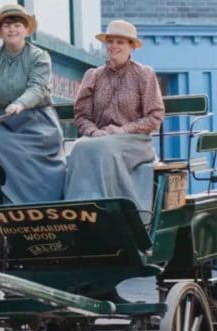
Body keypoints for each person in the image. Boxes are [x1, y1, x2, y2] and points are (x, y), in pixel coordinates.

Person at [0, 4, 65, 203]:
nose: (12, 29)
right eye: (7, 25)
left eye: (17, 25)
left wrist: (21, 104)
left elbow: (38, 87)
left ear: (26, 30)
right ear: (1, 31)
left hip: (36, 123)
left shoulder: (39, 57)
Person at [64, 20, 165, 210]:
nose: (114, 46)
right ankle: (77, 209)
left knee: (104, 149)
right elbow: (81, 116)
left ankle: (108, 210)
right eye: (110, 41)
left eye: (120, 42)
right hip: (100, 137)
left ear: (131, 46)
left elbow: (155, 117)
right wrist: (94, 132)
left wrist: (122, 129)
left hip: (135, 141)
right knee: (78, 147)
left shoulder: (143, 74)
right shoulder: (94, 75)